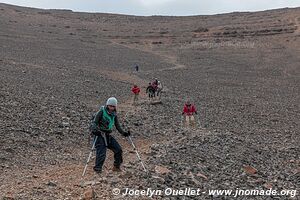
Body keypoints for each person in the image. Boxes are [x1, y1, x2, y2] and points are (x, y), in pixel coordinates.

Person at [91, 97, 130, 173]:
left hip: (107, 135)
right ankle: (97, 169)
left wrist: (124, 133)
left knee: (118, 150)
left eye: (113, 106)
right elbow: (94, 122)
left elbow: (117, 125)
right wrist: (95, 130)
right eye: (110, 106)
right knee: (102, 153)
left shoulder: (114, 114)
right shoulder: (101, 112)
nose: (112, 108)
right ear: (107, 105)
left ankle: (116, 167)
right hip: (99, 135)